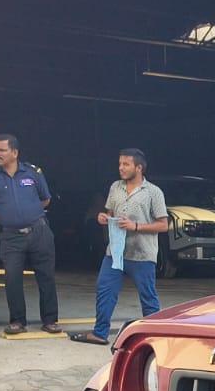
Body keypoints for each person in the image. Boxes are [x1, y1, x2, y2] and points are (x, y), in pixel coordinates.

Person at [71, 148, 168, 345]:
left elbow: (164, 225)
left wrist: (136, 226)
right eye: (119, 164)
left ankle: (156, 336)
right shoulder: (115, 187)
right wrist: (104, 217)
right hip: (115, 252)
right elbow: (110, 212)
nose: (121, 168)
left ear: (139, 167)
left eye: (126, 164)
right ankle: (100, 333)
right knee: (104, 290)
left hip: (142, 254)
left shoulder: (153, 192)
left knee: (148, 296)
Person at [0, 134, 60, 334]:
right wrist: (8, 219)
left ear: (14, 153)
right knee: (12, 278)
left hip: (39, 231)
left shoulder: (32, 173)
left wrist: (28, 214)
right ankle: (17, 321)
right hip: (11, 236)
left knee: (46, 276)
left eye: (2, 150)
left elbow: (45, 199)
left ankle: (50, 320)